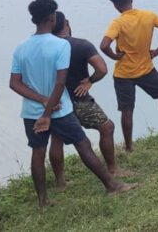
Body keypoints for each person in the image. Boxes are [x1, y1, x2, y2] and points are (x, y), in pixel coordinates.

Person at [10, 0, 133, 206]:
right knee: (83, 143)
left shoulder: (20, 47)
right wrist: (48, 112)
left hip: (32, 112)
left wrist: (41, 101)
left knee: (38, 152)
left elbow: (15, 84)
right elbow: (60, 83)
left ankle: (43, 201)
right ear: (52, 18)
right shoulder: (60, 45)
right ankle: (113, 186)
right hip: (58, 110)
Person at [100, 0, 158, 152]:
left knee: (127, 110)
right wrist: (156, 51)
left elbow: (104, 46)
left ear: (115, 6)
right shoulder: (149, 16)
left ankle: (129, 147)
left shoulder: (118, 22)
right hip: (146, 69)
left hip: (123, 73)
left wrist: (115, 57)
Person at [48, 12, 121, 188]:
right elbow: (102, 69)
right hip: (79, 99)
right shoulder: (81, 44)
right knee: (107, 127)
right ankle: (112, 169)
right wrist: (89, 81)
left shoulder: (47, 47)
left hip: (55, 101)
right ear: (67, 23)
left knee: (56, 139)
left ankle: (60, 182)